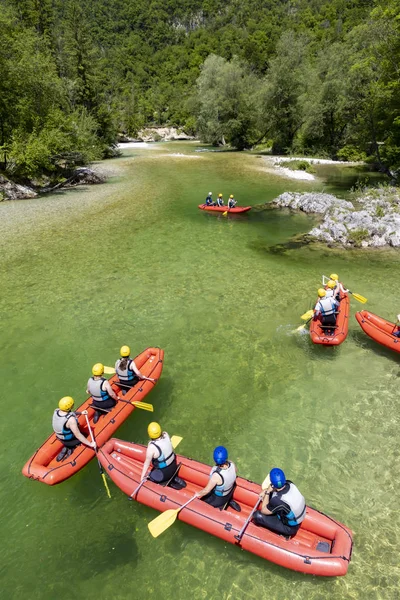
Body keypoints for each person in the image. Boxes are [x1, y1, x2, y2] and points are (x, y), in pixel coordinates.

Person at [252, 468, 306, 538]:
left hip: (289, 528)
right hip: (298, 518)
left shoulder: (277, 500)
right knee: (277, 505)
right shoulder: (289, 483)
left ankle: (284, 533)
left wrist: (267, 492)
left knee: (257, 516)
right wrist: (265, 490)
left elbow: (263, 510)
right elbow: (279, 488)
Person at [140, 422, 186, 489]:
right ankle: (174, 478)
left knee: (151, 476)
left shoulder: (151, 448)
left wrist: (142, 477)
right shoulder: (166, 434)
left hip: (163, 474)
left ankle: (170, 484)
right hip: (173, 466)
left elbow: (146, 464)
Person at [195, 446, 240, 511]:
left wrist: (198, 494)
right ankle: (230, 501)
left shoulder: (216, 475)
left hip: (220, 499)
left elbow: (206, 490)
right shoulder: (231, 463)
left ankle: (222, 505)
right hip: (230, 491)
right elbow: (235, 471)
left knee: (200, 504)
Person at [52, 396, 96, 462]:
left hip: (61, 438)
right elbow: (78, 435)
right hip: (69, 440)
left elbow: (69, 413)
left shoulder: (57, 411)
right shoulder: (71, 420)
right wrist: (90, 444)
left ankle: (66, 447)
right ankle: (71, 448)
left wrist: (80, 413)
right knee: (84, 435)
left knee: (69, 432)